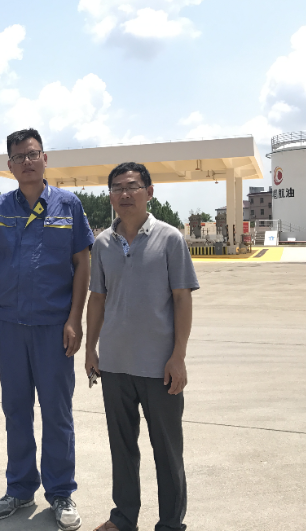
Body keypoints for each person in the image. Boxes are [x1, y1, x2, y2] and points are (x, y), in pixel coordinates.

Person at [0, 128, 94, 532]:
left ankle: (60, 491)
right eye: (19, 157)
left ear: (45, 158)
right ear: (9, 165)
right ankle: (20, 488)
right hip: (9, 325)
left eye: (33, 154)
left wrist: (75, 319)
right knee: (16, 410)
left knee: (57, 413)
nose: (26, 162)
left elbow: (82, 263)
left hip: (53, 326)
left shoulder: (68, 205)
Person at [85, 162, 199, 532]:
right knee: (122, 448)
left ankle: (170, 523)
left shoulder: (170, 239)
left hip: (159, 367)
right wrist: (91, 349)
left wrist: (178, 356)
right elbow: (97, 298)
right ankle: (123, 517)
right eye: (117, 188)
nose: (125, 194)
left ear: (149, 192)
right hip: (115, 365)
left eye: (132, 186)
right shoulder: (102, 244)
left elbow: (182, 299)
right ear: (110, 196)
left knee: (167, 451)